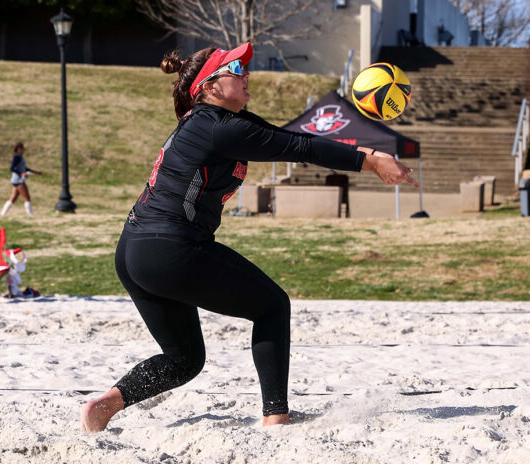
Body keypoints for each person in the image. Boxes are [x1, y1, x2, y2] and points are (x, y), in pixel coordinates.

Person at [80, 43, 419, 433]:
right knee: (272, 306)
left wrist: (369, 154)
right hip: (170, 247)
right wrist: (371, 160)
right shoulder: (218, 127)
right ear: (209, 86)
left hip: (134, 252)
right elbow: (299, 146)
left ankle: (105, 405)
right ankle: (276, 415)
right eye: (236, 68)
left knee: (184, 359)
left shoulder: (210, 122)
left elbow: (288, 138)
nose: (246, 74)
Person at [0, 142, 41, 217]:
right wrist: (21, 174)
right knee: (27, 197)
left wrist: (34, 172)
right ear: (19, 149)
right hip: (18, 180)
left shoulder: (20, 157)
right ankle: (30, 215)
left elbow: (23, 168)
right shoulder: (16, 157)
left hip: (17, 180)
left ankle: (3, 213)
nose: (24, 150)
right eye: (22, 149)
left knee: (13, 198)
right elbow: (12, 168)